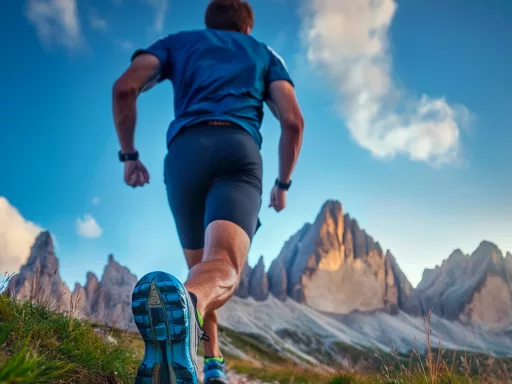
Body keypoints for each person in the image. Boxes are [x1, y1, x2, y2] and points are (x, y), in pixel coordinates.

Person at [112, 0, 304, 382]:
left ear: (209, 22)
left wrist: (130, 156)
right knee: (222, 266)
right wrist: (282, 185)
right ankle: (187, 308)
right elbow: (293, 122)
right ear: (247, 28)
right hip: (238, 153)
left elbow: (124, 88)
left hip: (185, 155)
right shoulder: (264, 54)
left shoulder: (178, 43)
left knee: (199, 269)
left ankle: (211, 360)